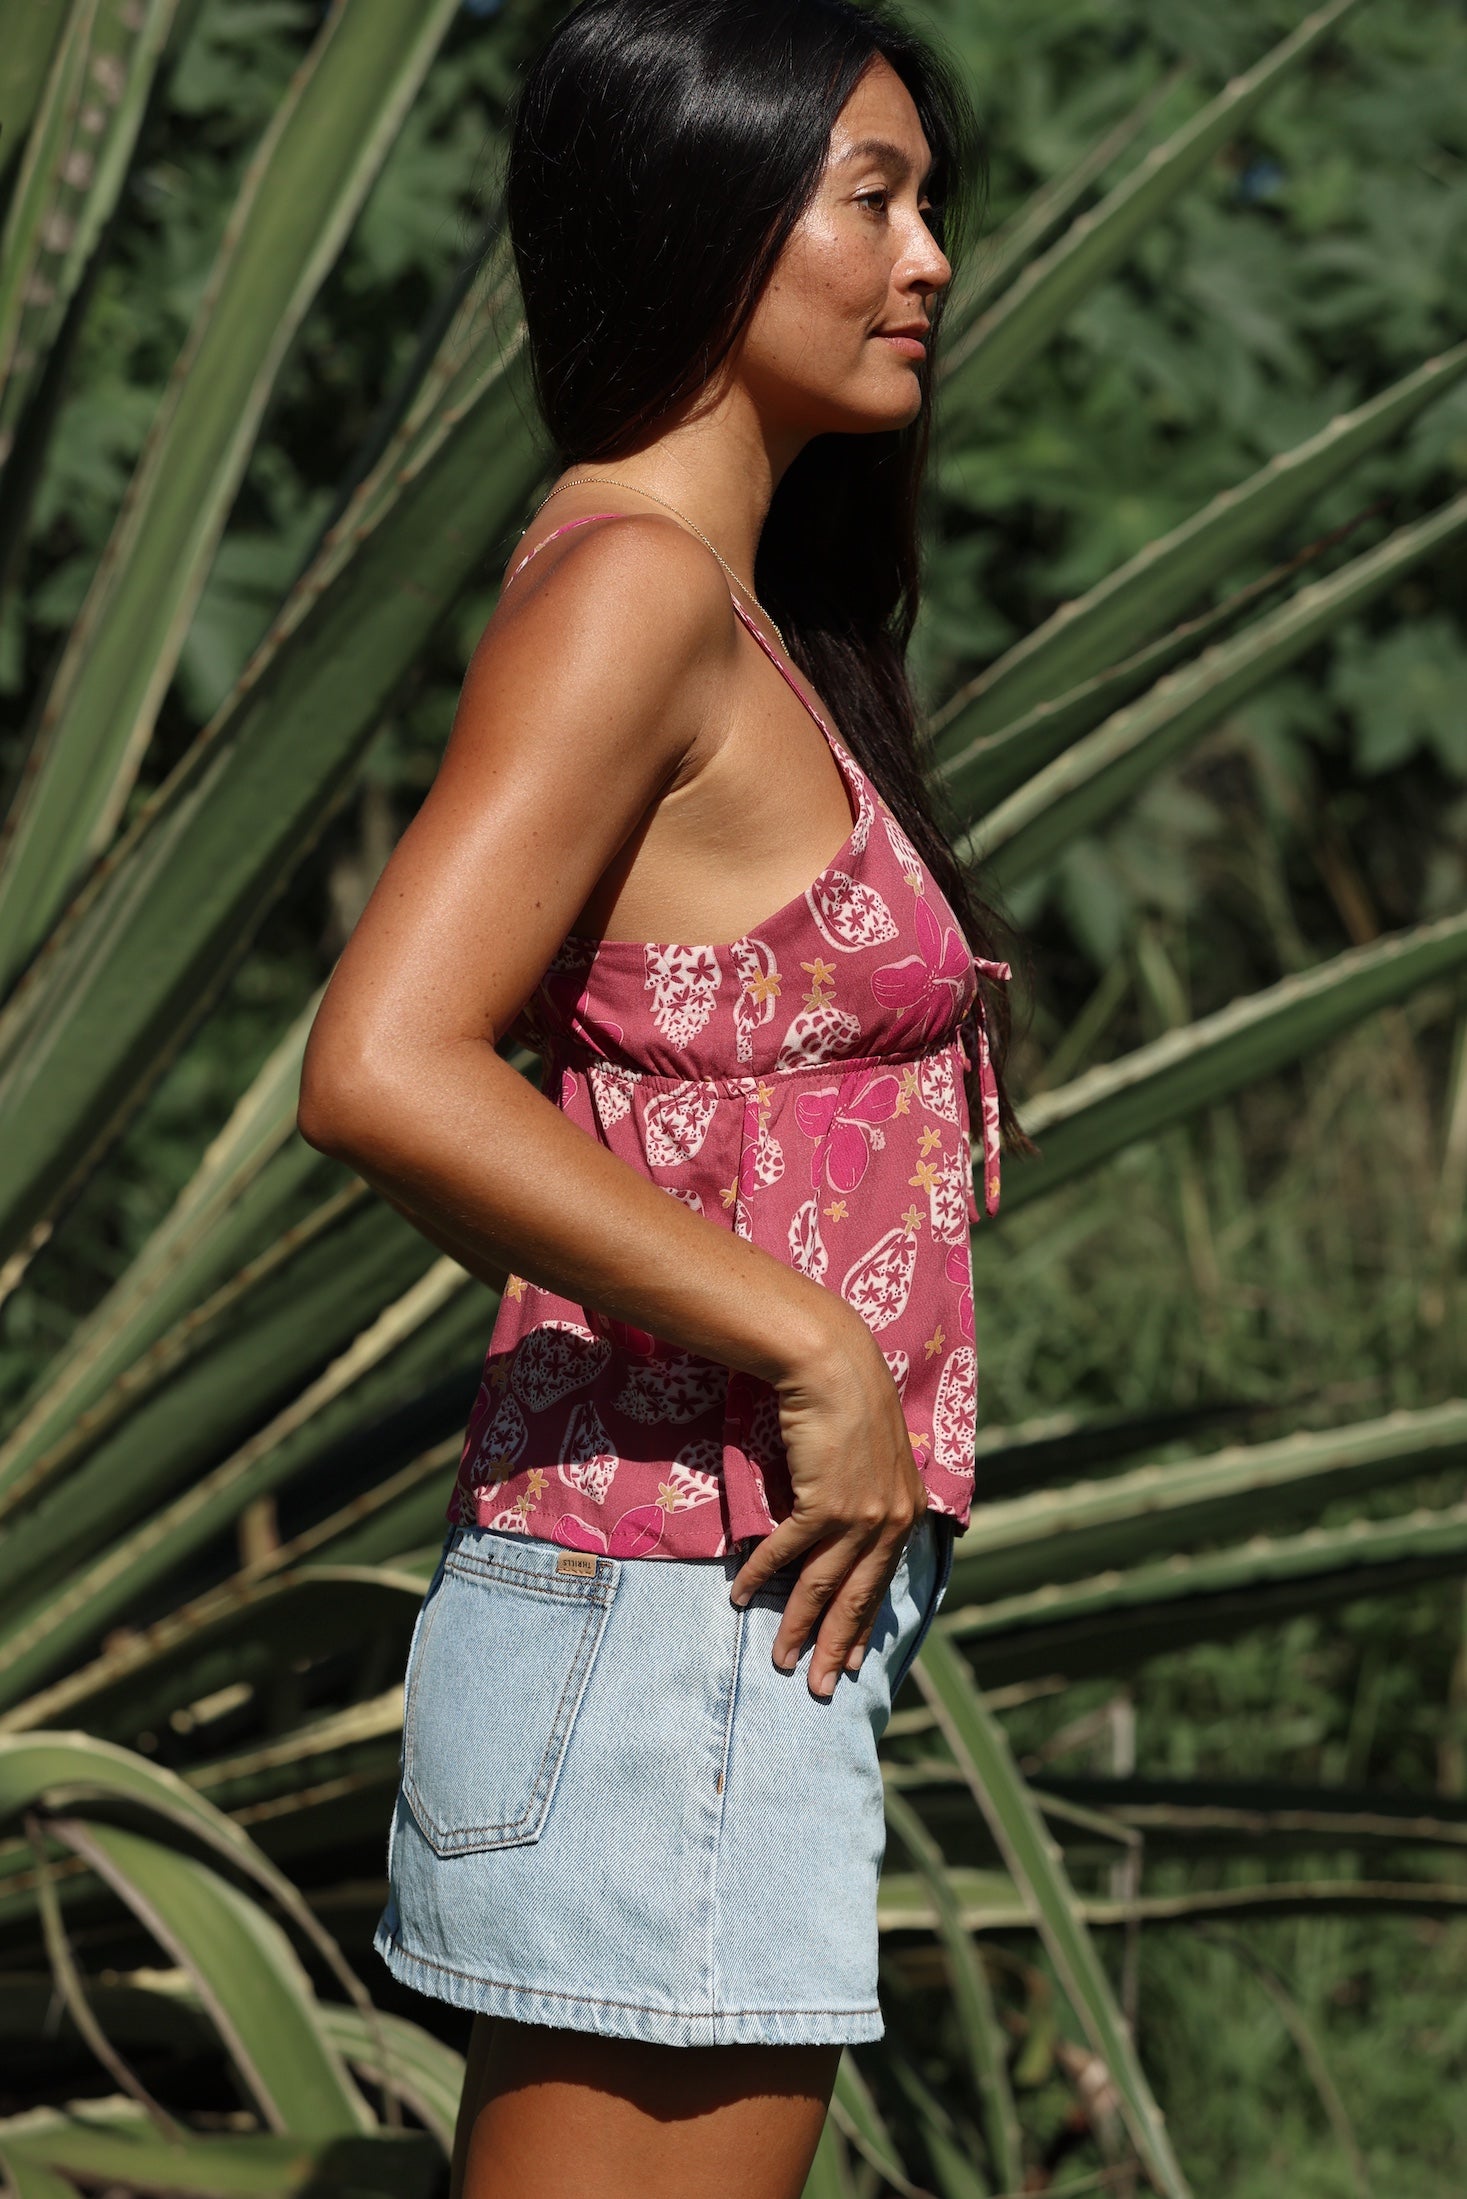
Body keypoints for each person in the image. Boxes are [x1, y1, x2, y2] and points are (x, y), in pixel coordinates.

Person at [297, 1, 1029, 2192]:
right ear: (699, 216)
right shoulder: (632, 590)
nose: (925, 264)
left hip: (692, 1615)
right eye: (869, 199)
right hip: (668, 1609)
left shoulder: (726, 602)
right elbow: (382, 1064)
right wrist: (807, 1339)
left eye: (930, 205)